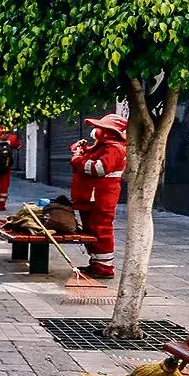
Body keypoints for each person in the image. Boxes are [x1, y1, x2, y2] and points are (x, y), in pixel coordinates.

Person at [70, 113, 128, 279]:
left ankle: (104, 268)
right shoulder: (104, 146)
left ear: (110, 131)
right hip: (93, 197)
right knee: (92, 230)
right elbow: (91, 157)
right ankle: (96, 264)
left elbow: (98, 168)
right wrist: (81, 150)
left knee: (101, 230)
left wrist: (77, 159)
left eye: (100, 128)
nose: (96, 131)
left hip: (100, 198)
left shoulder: (114, 148)